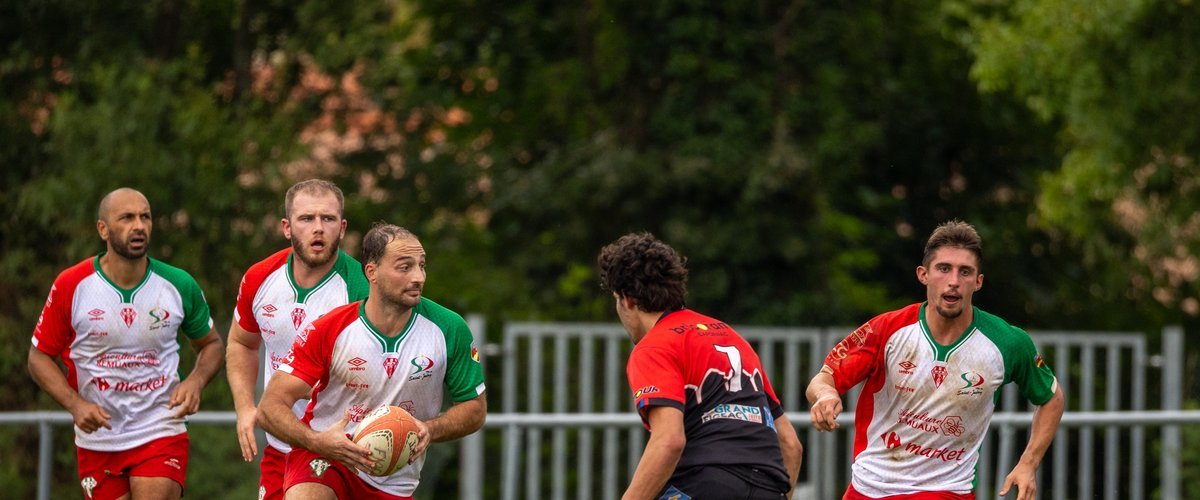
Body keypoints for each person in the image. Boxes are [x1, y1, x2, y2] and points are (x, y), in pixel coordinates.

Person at [806, 220, 1065, 500]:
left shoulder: (1008, 342)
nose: (954, 281)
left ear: (978, 281)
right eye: (944, 269)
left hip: (946, 491)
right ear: (923, 274)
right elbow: (825, 377)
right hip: (870, 488)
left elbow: (1051, 398)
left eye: (965, 272)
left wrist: (1029, 463)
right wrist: (825, 396)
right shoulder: (888, 330)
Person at [257, 223, 486, 500]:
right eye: (404, 267)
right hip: (326, 457)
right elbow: (270, 407)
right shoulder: (329, 329)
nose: (418, 277)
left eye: (421, 265)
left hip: (394, 479)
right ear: (371, 272)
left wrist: (429, 428)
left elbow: (474, 409)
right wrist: (317, 441)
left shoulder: (449, 329)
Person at [27, 187, 225, 500]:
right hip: (99, 439)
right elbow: (39, 358)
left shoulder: (178, 284)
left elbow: (212, 344)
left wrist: (196, 381)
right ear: (102, 229)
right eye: (127, 218)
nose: (139, 225)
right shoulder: (72, 285)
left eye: (145, 217)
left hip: (160, 427)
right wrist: (75, 404)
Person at [597, 232, 803, 500]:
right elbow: (791, 445)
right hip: (770, 487)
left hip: (706, 483)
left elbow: (669, 441)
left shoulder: (654, 347)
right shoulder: (732, 337)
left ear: (627, 299)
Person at [226, 179, 370, 500]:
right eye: (307, 219)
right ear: (287, 228)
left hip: (344, 448)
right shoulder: (259, 278)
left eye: (328, 219)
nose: (318, 228)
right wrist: (245, 406)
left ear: (342, 228)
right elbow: (242, 343)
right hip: (282, 444)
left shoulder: (361, 290)